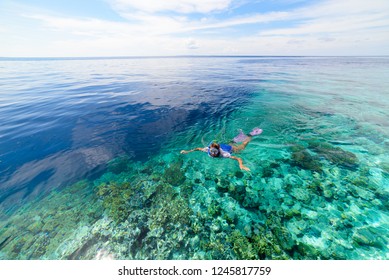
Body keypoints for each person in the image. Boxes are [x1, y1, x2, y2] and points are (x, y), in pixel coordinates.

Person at [180, 128, 263, 171]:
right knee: (231, 142)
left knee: (242, 147)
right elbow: (198, 148)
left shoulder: (224, 154)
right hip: (224, 146)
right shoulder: (208, 150)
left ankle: (251, 134)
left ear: (218, 150)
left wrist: (241, 165)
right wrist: (187, 151)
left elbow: (238, 158)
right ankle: (239, 136)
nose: (213, 153)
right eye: (212, 151)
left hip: (230, 149)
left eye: (215, 151)